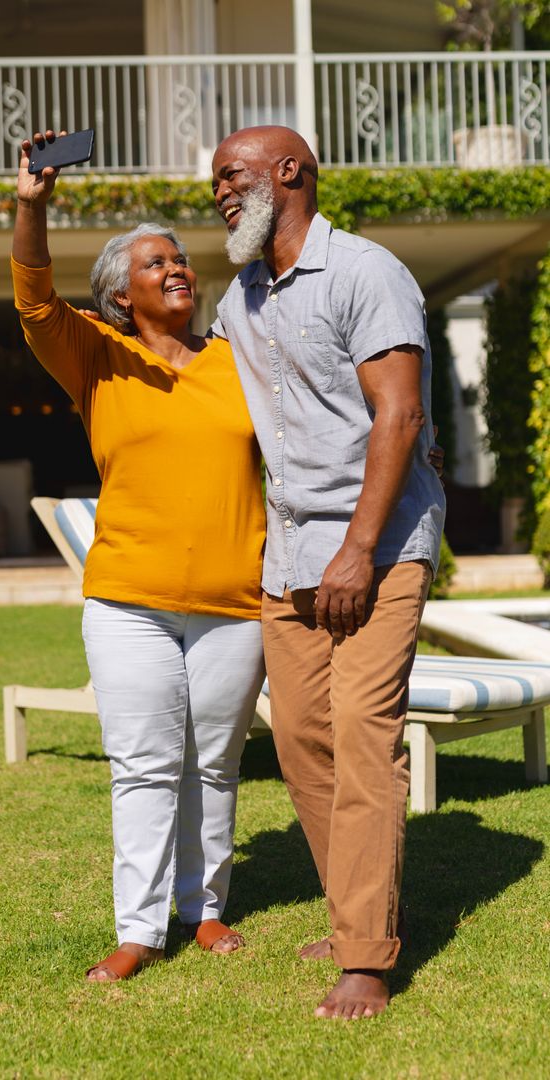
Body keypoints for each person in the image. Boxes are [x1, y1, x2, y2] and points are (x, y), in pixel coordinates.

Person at [12, 129, 268, 980]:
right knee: (146, 766)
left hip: (235, 602)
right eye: (157, 263)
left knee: (214, 765)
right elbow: (34, 302)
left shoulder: (236, 360)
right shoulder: (96, 354)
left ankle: (205, 908)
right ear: (121, 295)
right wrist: (31, 207)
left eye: (181, 259)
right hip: (130, 602)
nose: (178, 268)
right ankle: (139, 929)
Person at [209, 125, 446, 1019]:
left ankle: (365, 955)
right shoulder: (241, 297)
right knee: (304, 743)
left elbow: (400, 414)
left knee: (362, 735)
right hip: (289, 555)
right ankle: (361, 907)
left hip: (376, 547)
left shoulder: (365, 273)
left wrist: (357, 548)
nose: (220, 193)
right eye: (214, 182)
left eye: (232, 175)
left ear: (290, 173)